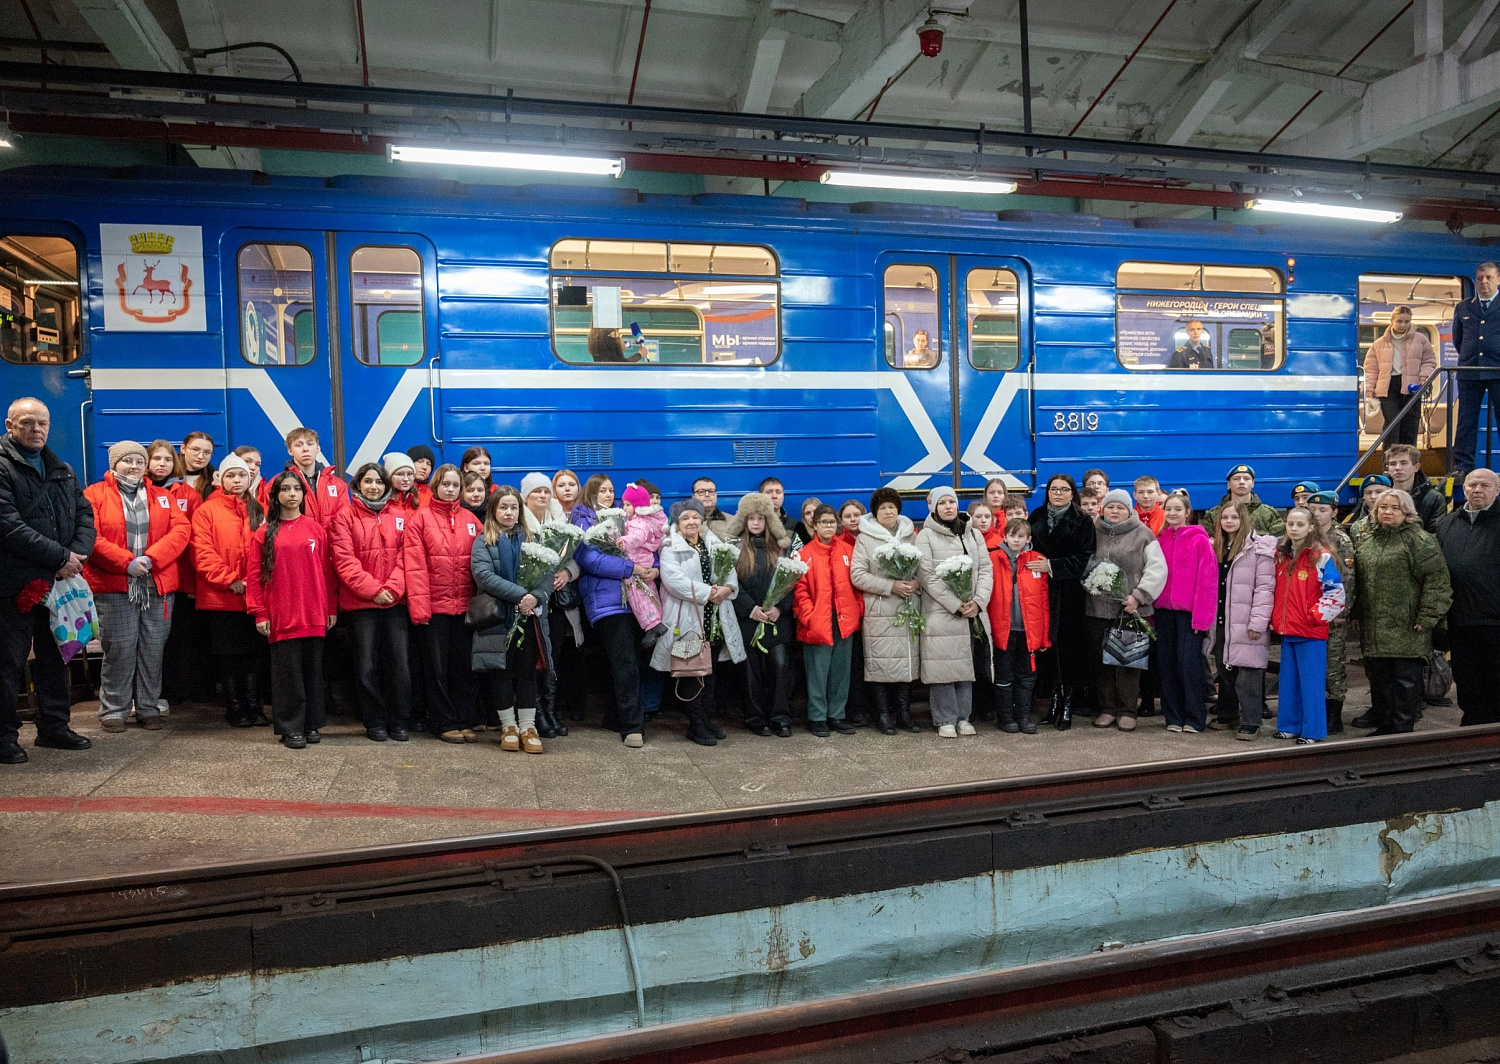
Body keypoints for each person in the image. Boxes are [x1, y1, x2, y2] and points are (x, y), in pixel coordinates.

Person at [0, 399, 95, 762]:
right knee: (8, 663)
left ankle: (54, 728)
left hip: (58, 584)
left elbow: (84, 514)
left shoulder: (62, 469)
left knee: (57, 657)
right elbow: (7, 525)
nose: (36, 429)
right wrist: (60, 557)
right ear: (10, 425)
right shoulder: (3, 466)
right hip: (13, 585)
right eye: (27, 423)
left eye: (42, 423)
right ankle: (5, 737)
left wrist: (76, 556)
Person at [83, 441, 191, 732]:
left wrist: (153, 559)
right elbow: (89, 535)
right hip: (115, 584)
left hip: (158, 584)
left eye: (138, 461)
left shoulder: (162, 496)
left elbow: (181, 530)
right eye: (126, 460)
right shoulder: (93, 495)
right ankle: (114, 710)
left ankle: (147, 706)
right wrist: (126, 562)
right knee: (119, 649)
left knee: (153, 649)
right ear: (113, 464)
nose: (133, 466)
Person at [245, 471, 336, 750]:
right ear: (275, 496)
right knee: (288, 675)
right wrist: (260, 612)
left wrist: (330, 607)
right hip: (283, 615)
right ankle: (290, 727)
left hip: (313, 614)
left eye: (297, 489)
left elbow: (327, 572)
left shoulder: (315, 529)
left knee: (312, 671)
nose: (292, 494)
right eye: (285, 489)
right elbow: (255, 575)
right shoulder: (264, 533)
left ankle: (311, 724)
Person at [1352, 489, 1452, 735]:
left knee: (1405, 682)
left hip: (1408, 626)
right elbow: (1359, 581)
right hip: (1375, 627)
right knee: (1380, 681)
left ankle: (1402, 729)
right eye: (1383, 507)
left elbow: (1437, 581)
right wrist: (1356, 612)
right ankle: (1385, 727)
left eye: (1395, 508)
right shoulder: (1369, 540)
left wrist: (1427, 617)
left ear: (1407, 512)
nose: (1388, 512)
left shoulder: (1420, 541)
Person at [566, 473, 654, 745]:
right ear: (590, 493)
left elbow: (645, 545)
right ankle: (633, 728)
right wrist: (632, 568)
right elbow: (590, 559)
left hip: (635, 600)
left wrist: (653, 567)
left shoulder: (623, 518)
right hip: (608, 602)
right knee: (625, 664)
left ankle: (615, 719)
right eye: (602, 490)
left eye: (611, 490)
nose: (608, 495)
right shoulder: (582, 518)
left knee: (632, 662)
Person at [650, 499, 745, 747]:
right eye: (685, 518)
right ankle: (696, 724)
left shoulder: (712, 543)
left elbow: (729, 570)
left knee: (710, 672)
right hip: (687, 618)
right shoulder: (670, 547)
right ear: (677, 523)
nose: (691, 522)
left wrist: (728, 588)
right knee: (691, 672)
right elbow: (674, 581)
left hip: (713, 618)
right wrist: (709, 593)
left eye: (695, 517)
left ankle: (706, 718)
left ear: (702, 520)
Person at [329, 462, 411, 742]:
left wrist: (393, 588)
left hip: (395, 604)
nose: (374, 487)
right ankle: (374, 721)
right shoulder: (344, 517)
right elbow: (343, 559)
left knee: (399, 665)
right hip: (361, 605)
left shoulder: (400, 515)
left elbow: (407, 557)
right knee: (366, 666)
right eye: (368, 482)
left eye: (379, 482)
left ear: (387, 486)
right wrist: (374, 590)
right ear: (358, 486)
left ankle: (399, 720)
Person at [471, 485, 552, 754]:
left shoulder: (532, 538)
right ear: (493, 510)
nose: (509, 512)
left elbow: (547, 575)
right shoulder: (484, 540)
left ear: (520, 510)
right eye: (503, 507)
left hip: (529, 618)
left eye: (513, 507)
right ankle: (508, 727)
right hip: (499, 618)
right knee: (501, 672)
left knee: (527, 672)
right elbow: (484, 576)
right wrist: (521, 595)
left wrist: (536, 597)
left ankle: (528, 727)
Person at [403, 464, 480, 744]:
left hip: (465, 608)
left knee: (463, 667)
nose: (450, 489)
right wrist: (420, 608)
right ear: (436, 486)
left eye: (455, 485)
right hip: (434, 608)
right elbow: (414, 567)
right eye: (445, 484)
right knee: (436, 668)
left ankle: (464, 719)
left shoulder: (471, 519)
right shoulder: (419, 519)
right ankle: (444, 722)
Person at [191, 453, 268, 728]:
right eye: (231, 476)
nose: (237, 480)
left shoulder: (260, 510)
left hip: (255, 597)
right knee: (228, 655)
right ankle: (235, 707)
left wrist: (254, 581)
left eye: (242, 476)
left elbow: (268, 550)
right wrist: (231, 579)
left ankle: (255, 706)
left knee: (254, 654)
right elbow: (202, 553)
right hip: (221, 598)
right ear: (220, 479)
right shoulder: (206, 511)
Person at [1085, 489, 1167, 731]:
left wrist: (1138, 597)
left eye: (1120, 507)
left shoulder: (1143, 534)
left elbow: (1157, 569)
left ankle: (1128, 710)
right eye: (1111, 507)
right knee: (1102, 663)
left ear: (1129, 510)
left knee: (1129, 661)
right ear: (1103, 508)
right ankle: (1108, 708)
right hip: (1098, 609)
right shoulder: (1093, 531)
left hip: (1130, 609)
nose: (1115, 511)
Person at [916, 485, 993, 738]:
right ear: (934, 507)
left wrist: (978, 601)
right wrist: (955, 604)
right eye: (942, 503)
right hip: (941, 612)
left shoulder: (974, 535)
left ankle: (964, 717)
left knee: (965, 666)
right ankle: (945, 718)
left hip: (972, 613)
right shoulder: (925, 536)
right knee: (943, 668)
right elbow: (927, 576)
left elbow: (985, 570)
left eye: (951, 502)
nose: (948, 506)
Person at [850, 487, 922, 735]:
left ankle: (904, 714)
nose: (888, 511)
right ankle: (882, 715)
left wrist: (916, 583)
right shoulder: (865, 538)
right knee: (880, 665)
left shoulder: (910, 535)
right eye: (883, 508)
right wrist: (890, 586)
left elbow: (923, 568)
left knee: (906, 663)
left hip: (907, 609)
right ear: (875, 513)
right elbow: (857, 575)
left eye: (892, 507)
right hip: (880, 609)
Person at [1271, 507, 1345, 744]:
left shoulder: (1321, 557)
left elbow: (1335, 595)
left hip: (1310, 631)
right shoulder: (1282, 555)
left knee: (1311, 683)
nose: (1294, 528)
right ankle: (1289, 725)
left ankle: (1313, 730)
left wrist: (1314, 616)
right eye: (1290, 524)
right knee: (1289, 681)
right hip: (1288, 628)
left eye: (1300, 524)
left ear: (1311, 527)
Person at [1028, 474, 1096, 730]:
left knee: (1069, 648)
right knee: (1046, 647)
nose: (1058, 494)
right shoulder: (1035, 516)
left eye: (1063, 489)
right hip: (1041, 591)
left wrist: (1052, 565)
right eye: (1053, 489)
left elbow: (1085, 558)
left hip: (1070, 593)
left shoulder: (1082, 521)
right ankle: (1053, 701)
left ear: (1072, 493)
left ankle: (1068, 703)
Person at [1435, 468, 1500, 726]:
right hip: (1459, 617)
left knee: (1494, 676)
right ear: (1464, 490)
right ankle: (1472, 724)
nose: (1478, 490)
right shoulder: (1447, 524)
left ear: (1497, 490)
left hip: (1494, 619)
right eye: (1472, 485)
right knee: (1465, 675)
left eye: (1485, 485)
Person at [1207, 502, 1277, 740]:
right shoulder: (1216, 546)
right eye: (1224, 517)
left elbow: (1265, 588)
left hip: (1247, 621)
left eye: (1234, 517)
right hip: (1221, 620)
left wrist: (1258, 622)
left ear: (1243, 519)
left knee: (1248, 674)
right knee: (1225, 668)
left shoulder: (1259, 549)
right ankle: (1228, 714)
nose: (1228, 521)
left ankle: (1251, 721)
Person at [729, 492, 795, 737]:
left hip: (776, 621)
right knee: (751, 671)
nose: (756, 523)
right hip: (748, 621)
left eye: (761, 518)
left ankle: (780, 716)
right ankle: (756, 717)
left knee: (779, 667)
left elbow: (791, 581)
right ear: (743, 521)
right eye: (751, 518)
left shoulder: (780, 550)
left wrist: (780, 608)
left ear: (769, 521)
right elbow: (731, 584)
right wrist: (750, 609)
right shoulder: (734, 550)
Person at [1151, 491, 1216, 734]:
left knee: (1188, 665)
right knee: (1166, 665)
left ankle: (1194, 717)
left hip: (1189, 614)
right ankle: (1173, 717)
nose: (1173, 514)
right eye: (1168, 509)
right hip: (1164, 613)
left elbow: (1207, 582)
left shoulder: (1200, 541)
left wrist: (1202, 618)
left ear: (1187, 513)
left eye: (1178, 509)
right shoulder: (1160, 541)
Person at [796, 504, 862, 736]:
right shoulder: (804, 554)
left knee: (840, 671)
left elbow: (857, 586)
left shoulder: (847, 551)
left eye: (832, 522)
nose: (828, 526)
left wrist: (857, 610)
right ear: (814, 525)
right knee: (817, 671)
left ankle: (837, 715)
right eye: (823, 522)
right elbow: (799, 591)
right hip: (817, 622)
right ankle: (817, 717)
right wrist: (809, 616)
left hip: (844, 620)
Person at [161, 431, 217, 707]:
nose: (201, 456)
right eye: (196, 450)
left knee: (202, 633)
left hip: (203, 567)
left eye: (207, 452)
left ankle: (202, 688)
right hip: (172, 567)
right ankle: (174, 688)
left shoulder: (217, 481)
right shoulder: (164, 478)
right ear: (182, 449)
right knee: (173, 633)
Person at [986, 517, 1050, 734]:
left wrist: (1043, 636)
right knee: (1004, 676)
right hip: (1002, 631)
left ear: (1028, 538)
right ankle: (1005, 717)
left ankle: (1023, 716)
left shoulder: (1037, 560)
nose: (1016, 540)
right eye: (1012, 535)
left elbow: (1043, 601)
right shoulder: (992, 558)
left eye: (1021, 536)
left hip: (1028, 632)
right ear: (1004, 536)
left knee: (1027, 676)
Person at [1307, 490, 1357, 734]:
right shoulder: (1306, 535)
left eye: (1322, 510)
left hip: (1332, 614)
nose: (1317, 514)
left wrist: (1340, 612)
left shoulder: (1341, 540)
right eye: (1313, 510)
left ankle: (1333, 714)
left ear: (1335, 512)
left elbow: (1348, 579)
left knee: (1333, 664)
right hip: (1308, 613)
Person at [1449, 260, 1500, 476]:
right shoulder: (1463, 307)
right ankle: (1462, 467)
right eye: (1480, 278)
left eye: (1489, 277)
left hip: (1498, 371)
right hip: (1469, 371)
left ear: (1498, 279)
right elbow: (1458, 339)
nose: (1484, 282)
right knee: (1465, 422)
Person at [546, 469, 587, 724]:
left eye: (572, 484)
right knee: (557, 650)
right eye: (561, 485)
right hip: (555, 596)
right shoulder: (548, 517)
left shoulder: (585, 516)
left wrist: (569, 572)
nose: (567, 489)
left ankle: (578, 705)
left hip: (580, 593)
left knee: (578, 651)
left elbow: (583, 555)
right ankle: (556, 705)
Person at [1365, 306, 1438, 449]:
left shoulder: (1421, 340)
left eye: (1407, 321)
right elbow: (1371, 370)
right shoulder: (1379, 344)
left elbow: (1429, 361)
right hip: (1388, 387)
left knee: (1410, 428)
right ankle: (1388, 466)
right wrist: (1369, 393)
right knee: (1392, 425)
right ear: (1392, 321)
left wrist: (1423, 380)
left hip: (1413, 388)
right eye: (1399, 321)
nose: (1403, 325)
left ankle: (1409, 466)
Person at [267, 427, 349, 528]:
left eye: (310, 444)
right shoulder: (277, 483)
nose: (305, 449)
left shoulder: (337, 484)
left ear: (318, 448)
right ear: (290, 451)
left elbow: (345, 524)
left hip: (332, 543)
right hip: (297, 542)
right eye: (298, 445)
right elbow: (271, 522)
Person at [620, 483, 667, 636]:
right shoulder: (645, 521)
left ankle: (651, 625)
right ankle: (659, 620)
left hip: (637, 561)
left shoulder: (638, 523)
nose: (624, 508)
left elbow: (636, 538)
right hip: (645, 561)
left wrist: (622, 542)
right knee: (650, 591)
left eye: (628, 504)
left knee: (637, 595)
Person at [968, 501, 999, 723]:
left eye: (987, 516)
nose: (983, 520)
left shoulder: (1001, 543)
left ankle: (988, 704)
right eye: (978, 516)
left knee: (987, 660)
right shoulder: (965, 541)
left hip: (992, 606)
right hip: (972, 608)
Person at [1201, 464, 1285, 536]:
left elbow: (1279, 543)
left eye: (1246, 478)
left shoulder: (1268, 514)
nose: (1241, 482)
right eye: (1236, 479)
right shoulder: (1214, 514)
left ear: (1252, 484)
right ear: (1228, 484)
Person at [1383, 444, 1447, 532]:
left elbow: (1435, 535)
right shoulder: (1378, 495)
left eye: (1404, 463)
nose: (1397, 468)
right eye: (1393, 464)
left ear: (1416, 467)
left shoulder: (1433, 498)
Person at [758, 477, 801, 552]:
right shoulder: (752, 523)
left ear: (783, 496)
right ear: (760, 496)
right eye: (769, 492)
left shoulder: (793, 525)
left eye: (778, 492)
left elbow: (799, 554)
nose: (774, 496)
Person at [1347, 473, 1394, 542]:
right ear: (1363, 496)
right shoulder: (1357, 527)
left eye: (1379, 492)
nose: (1373, 496)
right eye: (1368, 493)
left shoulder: (1397, 520)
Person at [692, 476, 732, 541]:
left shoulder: (732, 521)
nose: (707, 495)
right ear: (693, 497)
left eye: (711, 491)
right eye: (701, 492)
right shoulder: (683, 522)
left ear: (716, 495)